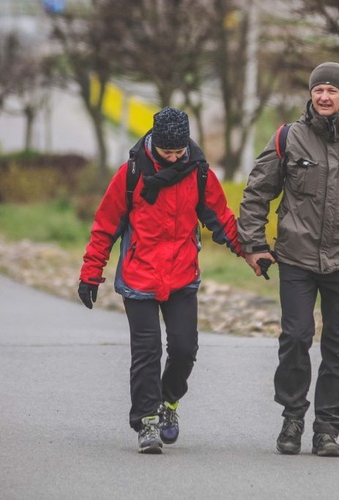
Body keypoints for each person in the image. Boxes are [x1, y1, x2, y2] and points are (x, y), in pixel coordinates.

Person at [238, 62, 339, 457]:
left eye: (331, 90)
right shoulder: (287, 138)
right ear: (310, 95)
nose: (324, 97)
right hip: (295, 258)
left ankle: (327, 428)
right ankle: (293, 418)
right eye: (317, 90)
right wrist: (255, 245)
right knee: (295, 337)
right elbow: (257, 194)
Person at [78, 107, 242, 454]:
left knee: (184, 350)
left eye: (179, 151)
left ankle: (168, 404)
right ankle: (146, 421)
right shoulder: (131, 174)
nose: (173, 157)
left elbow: (222, 218)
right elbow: (105, 226)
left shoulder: (198, 173)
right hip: (139, 277)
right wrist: (91, 272)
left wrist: (253, 252)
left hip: (182, 276)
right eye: (167, 151)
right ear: (154, 143)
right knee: (147, 352)